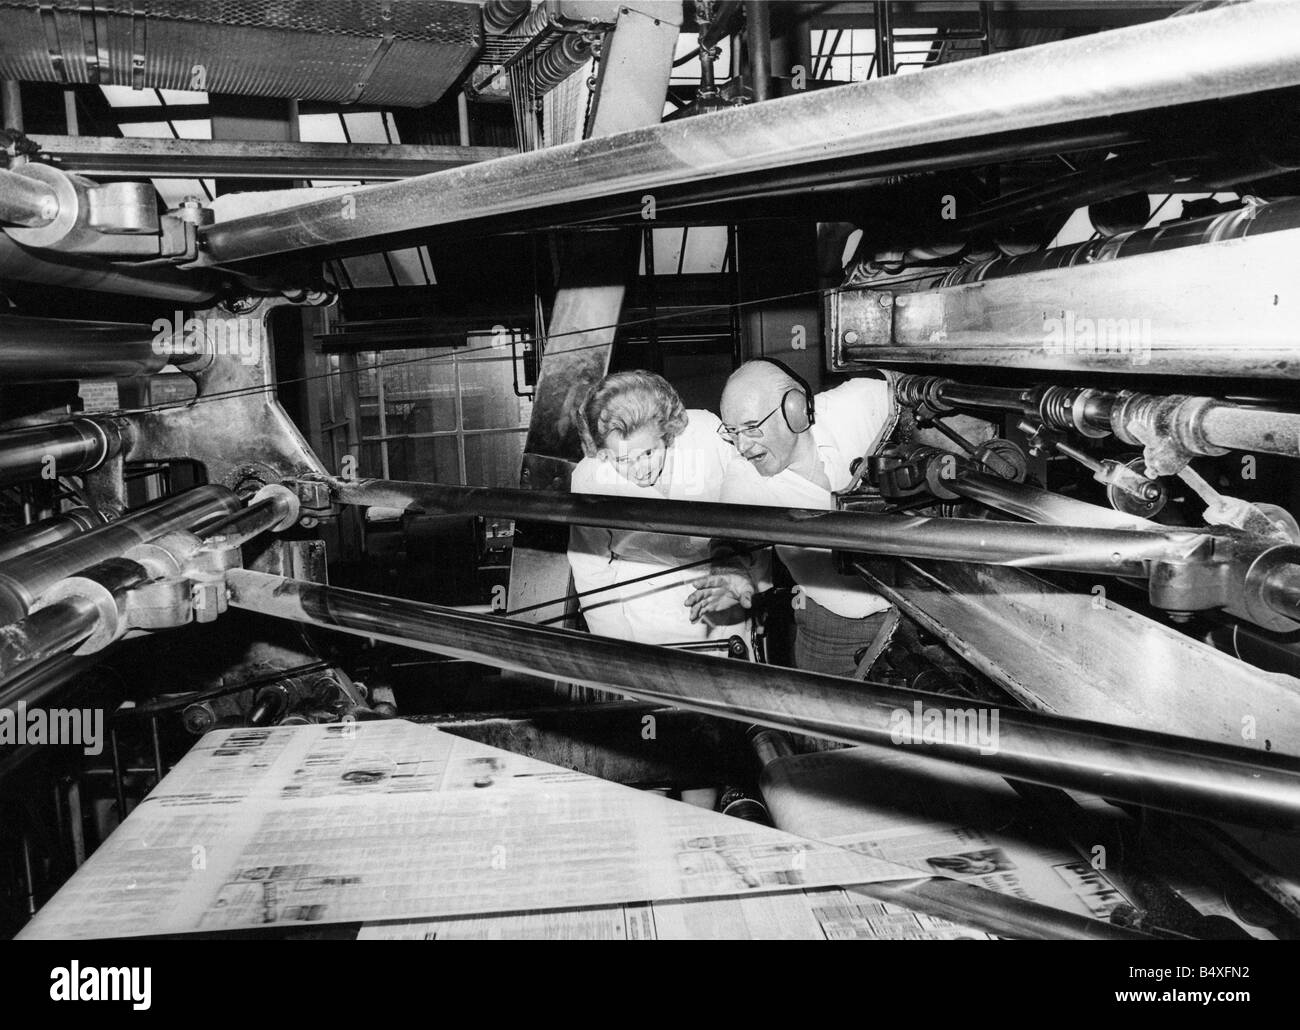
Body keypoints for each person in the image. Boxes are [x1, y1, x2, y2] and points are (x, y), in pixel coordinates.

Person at [684, 359, 898, 678]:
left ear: (795, 410)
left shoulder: (860, 403)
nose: (742, 446)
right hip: (834, 628)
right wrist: (729, 572)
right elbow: (731, 538)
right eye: (732, 433)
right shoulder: (744, 478)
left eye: (752, 428)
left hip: (932, 606)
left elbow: (936, 413)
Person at [567, 370, 749, 645]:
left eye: (649, 454)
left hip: (724, 597)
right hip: (645, 616)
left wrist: (743, 578)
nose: (640, 471)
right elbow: (591, 569)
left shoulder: (706, 436)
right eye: (623, 460)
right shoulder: (591, 479)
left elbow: (750, 508)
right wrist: (619, 649)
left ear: (666, 432)